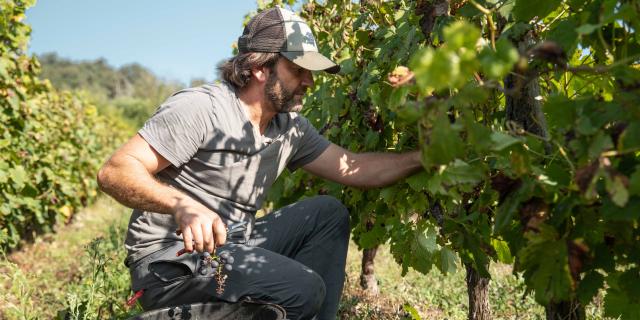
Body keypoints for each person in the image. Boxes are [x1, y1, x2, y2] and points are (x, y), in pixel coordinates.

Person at [97, 7, 421, 320]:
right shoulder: (201, 109)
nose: (309, 81)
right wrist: (182, 206)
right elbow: (115, 171)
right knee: (302, 289)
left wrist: (425, 158)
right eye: (297, 69)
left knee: (327, 214)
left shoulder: (289, 128)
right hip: (170, 262)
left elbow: (357, 167)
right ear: (260, 67)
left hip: (233, 245)